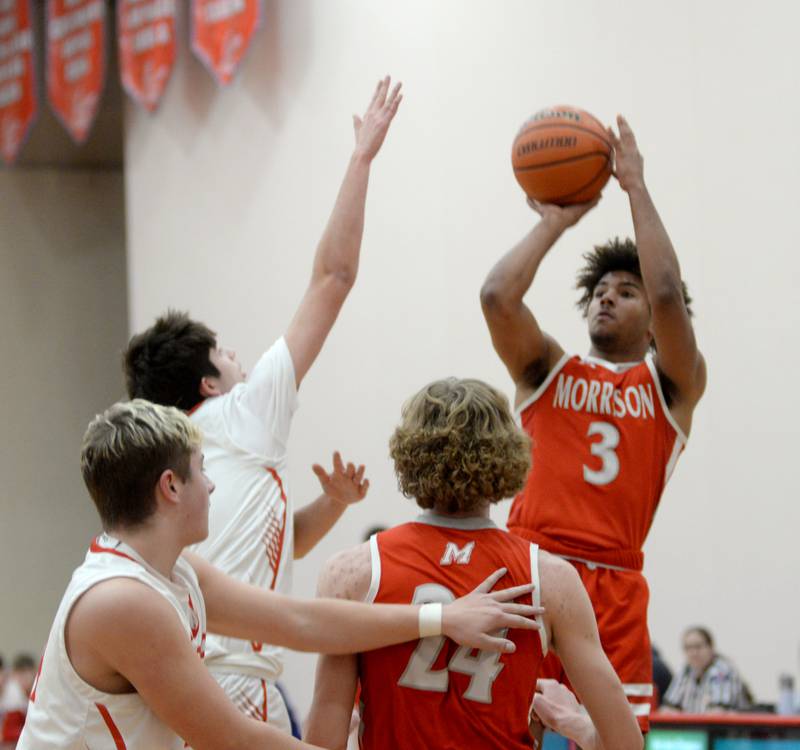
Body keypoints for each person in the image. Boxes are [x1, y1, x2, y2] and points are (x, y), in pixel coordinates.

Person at [17, 399, 540, 750]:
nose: (213, 487)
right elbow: (229, 738)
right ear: (170, 487)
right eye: (203, 469)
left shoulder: (173, 571)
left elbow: (299, 622)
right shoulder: (124, 602)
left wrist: (439, 617)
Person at [122, 76, 401, 730]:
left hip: (177, 690)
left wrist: (330, 505)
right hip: (235, 690)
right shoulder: (242, 414)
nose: (244, 362)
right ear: (211, 386)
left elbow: (267, 552)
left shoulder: (171, 461)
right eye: (228, 356)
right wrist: (361, 159)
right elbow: (333, 278)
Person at [480, 115, 707, 729]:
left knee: (615, 739)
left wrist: (634, 187)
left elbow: (666, 289)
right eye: (601, 288)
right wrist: (554, 221)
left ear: (656, 323)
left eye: (624, 292)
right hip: (529, 565)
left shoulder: (669, 385)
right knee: (503, 730)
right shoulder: (547, 369)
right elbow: (497, 296)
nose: (608, 296)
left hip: (613, 583)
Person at [304, 378, 643, 750]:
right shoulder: (550, 578)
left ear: (407, 454)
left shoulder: (353, 572)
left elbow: (324, 740)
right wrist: (574, 724)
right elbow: (624, 744)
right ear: (508, 456)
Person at [661, 627, 753, 713]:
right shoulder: (686, 671)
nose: (693, 653)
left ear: (711, 648)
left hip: (727, 729)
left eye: (698, 647)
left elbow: (718, 713)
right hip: (694, 728)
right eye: (688, 648)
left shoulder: (722, 671)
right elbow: (668, 708)